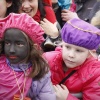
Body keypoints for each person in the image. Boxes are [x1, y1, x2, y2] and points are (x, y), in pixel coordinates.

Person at [0, 13, 56, 100]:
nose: (11, 50)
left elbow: (47, 95)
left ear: (31, 46)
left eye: (19, 44)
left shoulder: (40, 69)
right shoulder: (1, 68)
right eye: (7, 43)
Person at [43, 18, 100, 100]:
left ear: (89, 54)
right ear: (62, 45)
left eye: (79, 50)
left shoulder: (95, 74)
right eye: (67, 47)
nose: (71, 55)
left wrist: (67, 98)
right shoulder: (48, 59)